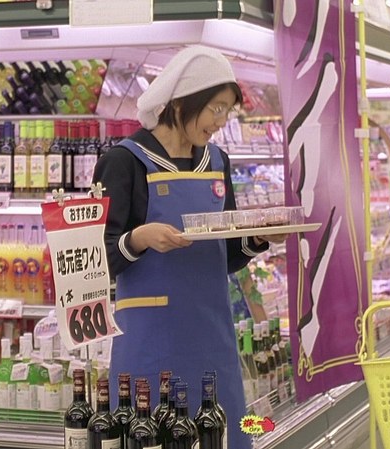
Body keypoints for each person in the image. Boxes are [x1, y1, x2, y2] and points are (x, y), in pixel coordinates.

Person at [92, 46, 284, 449]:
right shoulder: (124, 162)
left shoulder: (217, 161)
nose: (221, 121)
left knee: (224, 436)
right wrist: (139, 239)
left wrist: (257, 239)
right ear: (180, 102)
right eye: (216, 109)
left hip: (212, 337)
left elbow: (224, 254)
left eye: (227, 111)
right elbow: (95, 260)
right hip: (150, 343)